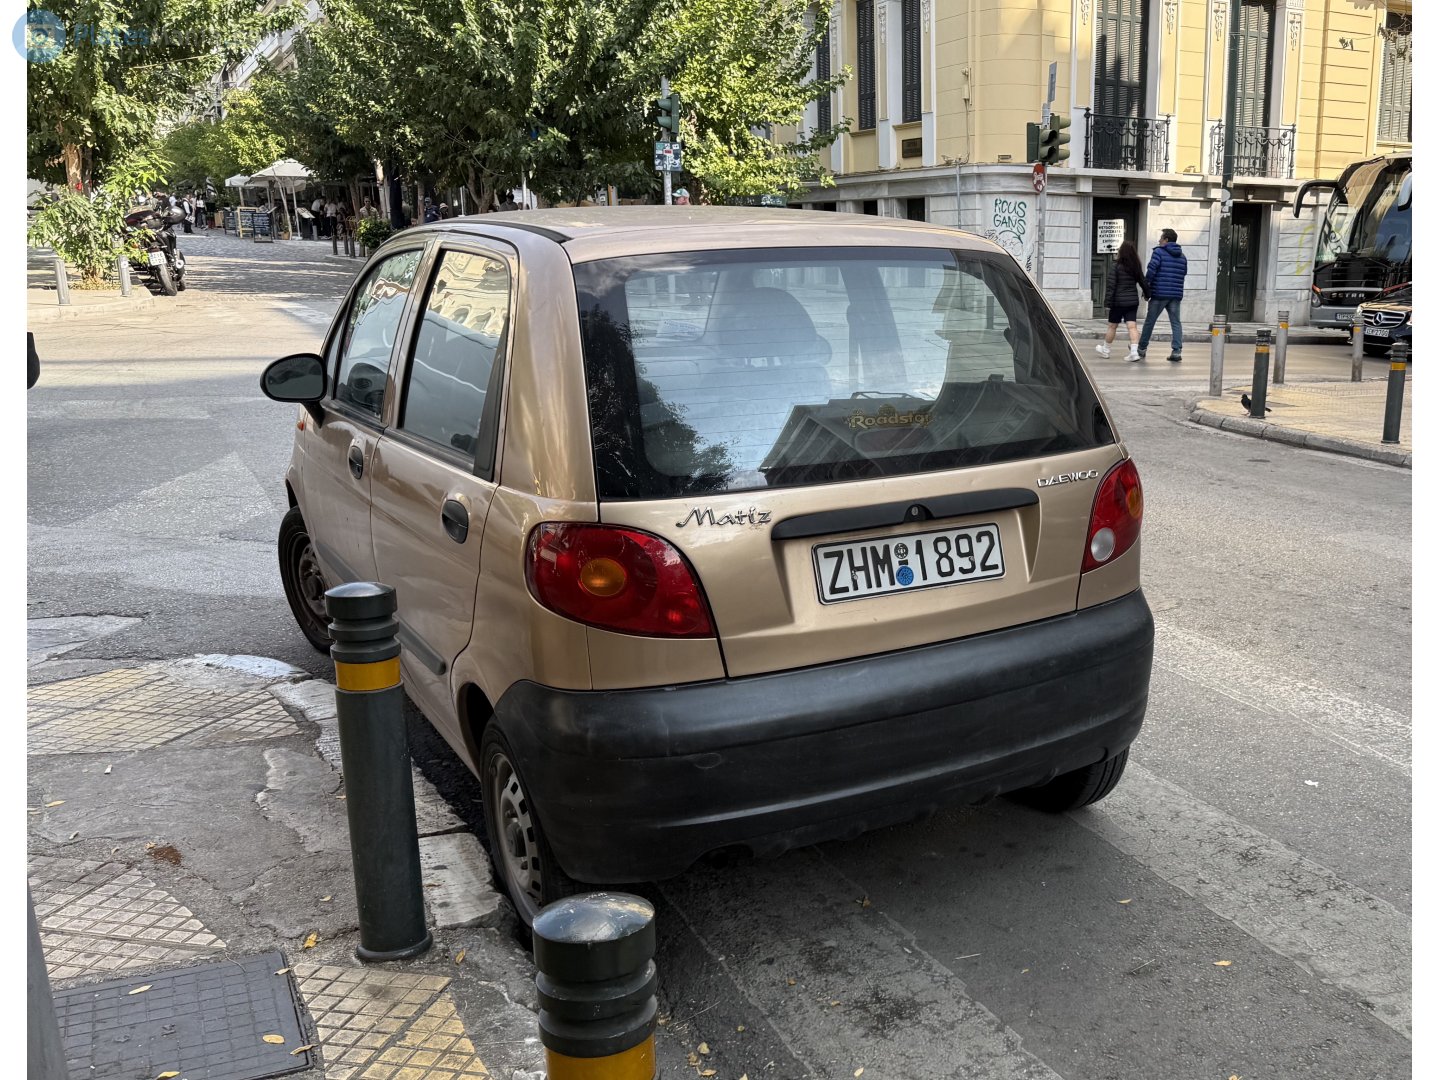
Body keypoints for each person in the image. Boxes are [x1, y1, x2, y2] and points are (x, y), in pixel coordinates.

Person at [1138, 228, 1188, 362]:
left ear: (1166, 240)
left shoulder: (1159, 252)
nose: (1159, 240)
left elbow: (1151, 271)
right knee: (1176, 323)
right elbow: (1183, 274)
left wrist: (1146, 289)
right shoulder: (1182, 256)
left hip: (1159, 294)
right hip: (1175, 295)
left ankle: (1142, 349)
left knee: (1150, 322)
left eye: (1161, 238)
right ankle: (1177, 351)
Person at [1096, 240, 1148, 362]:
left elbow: (1111, 286)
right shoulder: (1136, 267)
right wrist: (1147, 294)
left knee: (1112, 326)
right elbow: (1143, 282)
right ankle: (1134, 352)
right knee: (1132, 326)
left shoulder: (1116, 267)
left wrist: (1107, 303)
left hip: (1118, 302)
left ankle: (1106, 350)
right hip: (1132, 301)